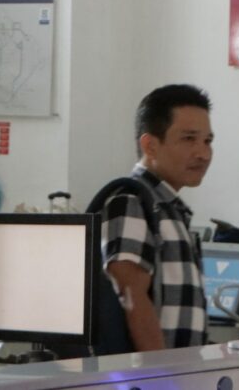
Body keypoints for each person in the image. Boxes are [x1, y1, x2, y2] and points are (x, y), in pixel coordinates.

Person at [101, 84, 214, 351]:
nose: (203, 153)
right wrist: (160, 376)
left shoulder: (167, 208)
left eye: (208, 141)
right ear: (150, 145)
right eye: (189, 139)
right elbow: (131, 295)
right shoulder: (131, 200)